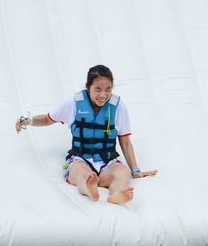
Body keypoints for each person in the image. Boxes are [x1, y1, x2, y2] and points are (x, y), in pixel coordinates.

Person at [15, 65, 157, 204]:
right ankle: (90, 189)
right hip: (80, 159)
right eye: (97, 89)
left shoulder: (118, 106)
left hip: (107, 162)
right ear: (88, 87)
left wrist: (135, 170)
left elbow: (125, 141)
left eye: (108, 89)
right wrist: (29, 121)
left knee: (123, 172)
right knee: (82, 174)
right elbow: (47, 119)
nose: (103, 95)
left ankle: (117, 194)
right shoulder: (74, 103)